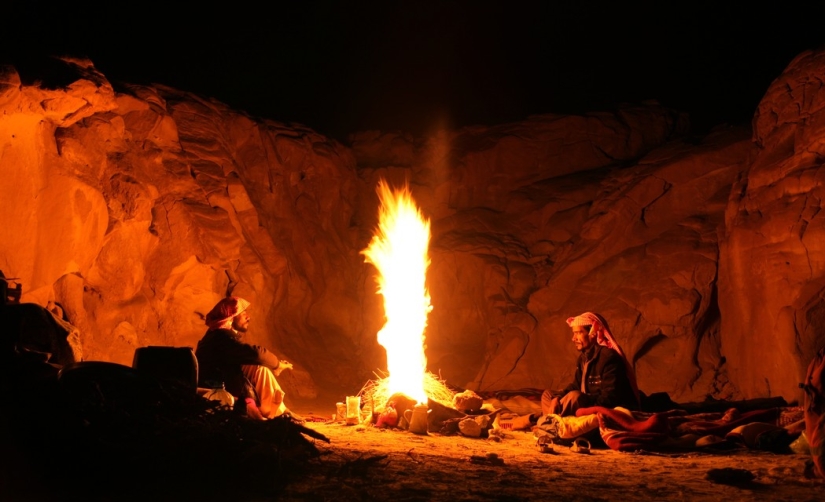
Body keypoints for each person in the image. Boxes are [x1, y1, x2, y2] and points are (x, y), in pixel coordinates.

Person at [195, 296, 297, 420]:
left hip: (226, 385)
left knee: (259, 369)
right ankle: (277, 413)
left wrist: (274, 364)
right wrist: (278, 365)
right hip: (218, 393)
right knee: (257, 364)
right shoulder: (220, 338)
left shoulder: (218, 335)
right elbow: (257, 354)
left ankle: (279, 411)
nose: (248, 317)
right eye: (243, 314)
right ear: (231, 318)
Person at [540, 312, 639, 417]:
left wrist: (585, 405)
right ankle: (555, 420)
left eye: (578, 333)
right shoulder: (583, 358)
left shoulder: (608, 357)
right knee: (548, 395)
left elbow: (610, 397)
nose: (573, 338)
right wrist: (558, 397)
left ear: (592, 333)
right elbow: (576, 385)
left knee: (575, 396)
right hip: (585, 403)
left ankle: (554, 420)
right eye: (574, 334)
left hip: (602, 408)